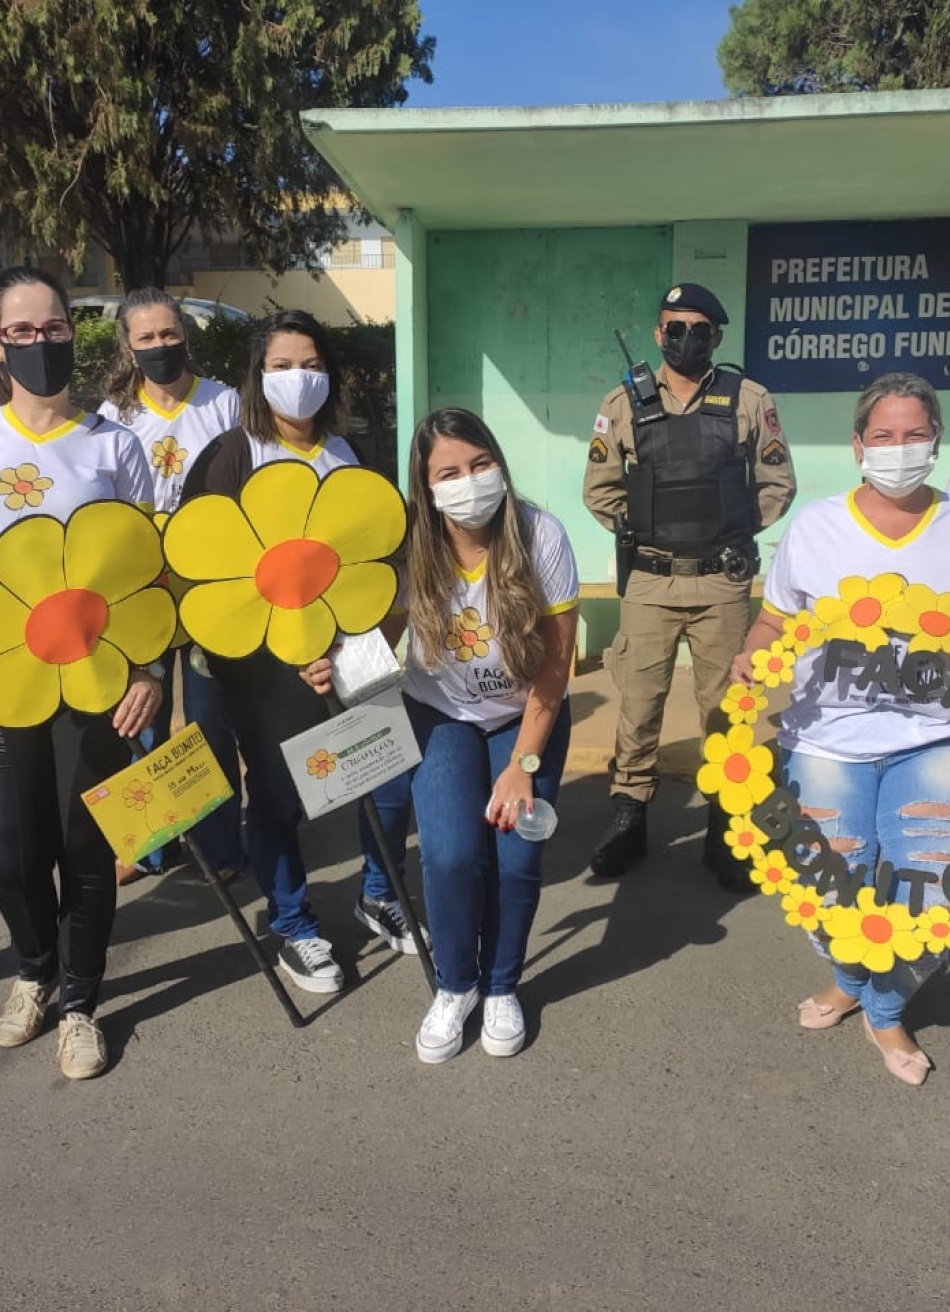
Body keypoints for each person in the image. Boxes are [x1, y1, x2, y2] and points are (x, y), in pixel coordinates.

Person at [182, 309, 420, 993]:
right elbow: (205, 573)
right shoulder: (232, 455)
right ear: (258, 377)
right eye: (282, 366)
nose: (299, 379)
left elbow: (374, 562)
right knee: (281, 797)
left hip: (352, 653)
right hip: (264, 669)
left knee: (388, 773)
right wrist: (289, 653)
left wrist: (352, 643)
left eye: (312, 364)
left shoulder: (346, 454)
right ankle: (292, 924)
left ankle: (379, 894)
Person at [731, 372, 950, 1086]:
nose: (898, 449)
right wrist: (753, 651)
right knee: (826, 891)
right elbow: (776, 617)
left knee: (930, 897)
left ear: (936, 440)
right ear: (858, 445)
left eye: (914, 433)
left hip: (930, 741)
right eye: (882, 436)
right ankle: (851, 979)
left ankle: (885, 1011)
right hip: (823, 739)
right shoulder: (816, 527)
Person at [0, 267, 162, 1079]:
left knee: (84, 845)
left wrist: (151, 671)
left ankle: (79, 1003)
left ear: (75, 332)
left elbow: (152, 574)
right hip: (7, 687)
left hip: (99, 683)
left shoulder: (113, 445)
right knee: (13, 849)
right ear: (1, 344)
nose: (41, 343)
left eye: (55, 327)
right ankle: (31, 972)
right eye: (23, 332)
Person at [582, 282, 796, 889]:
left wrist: (732, 524)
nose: (686, 338)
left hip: (720, 584)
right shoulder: (623, 403)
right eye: (674, 327)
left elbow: (777, 481)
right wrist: (645, 524)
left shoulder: (749, 399)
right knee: (639, 704)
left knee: (725, 712)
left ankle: (725, 829)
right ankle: (629, 818)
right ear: (657, 333)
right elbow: (600, 488)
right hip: (650, 581)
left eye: (699, 329)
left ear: (716, 337)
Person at [384, 407, 577, 1064]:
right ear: (427, 486)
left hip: (527, 719)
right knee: (449, 854)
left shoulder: (540, 535)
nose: (468, 482)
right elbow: (376, 634)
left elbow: (555, 670)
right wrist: (336, 665)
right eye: (449, 473)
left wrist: (523, 765)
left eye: (479, 463)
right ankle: (455, 986)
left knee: (516, 857)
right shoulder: (410, 544)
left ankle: (500, 987)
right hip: (440, 714)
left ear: (499, 462)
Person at [99, 287, 243, 883]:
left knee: (211, 719)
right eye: (147, 338)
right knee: (145, 718)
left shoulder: (226, 404)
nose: (161, 346)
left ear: (186, 335)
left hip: (210, 590)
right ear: (129, 349)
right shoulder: (112, 418)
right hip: (143, 594)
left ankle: (219, 847)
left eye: (169, 334)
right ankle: (152, 846)